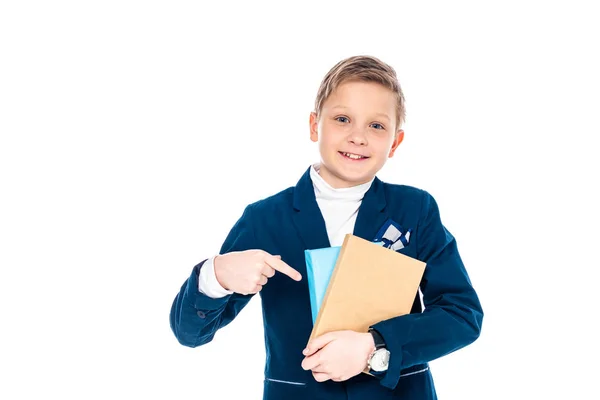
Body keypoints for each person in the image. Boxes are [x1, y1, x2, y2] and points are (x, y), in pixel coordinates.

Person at [169, 55, 483, 399]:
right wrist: (216, 276)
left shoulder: (416, 209)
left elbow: (462, 315)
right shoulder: (264, 218)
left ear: (395, 142)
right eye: (343, 119)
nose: (358, 137)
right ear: (315, 126)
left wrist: (374, 346)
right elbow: (191, 333)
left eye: (376, 126)